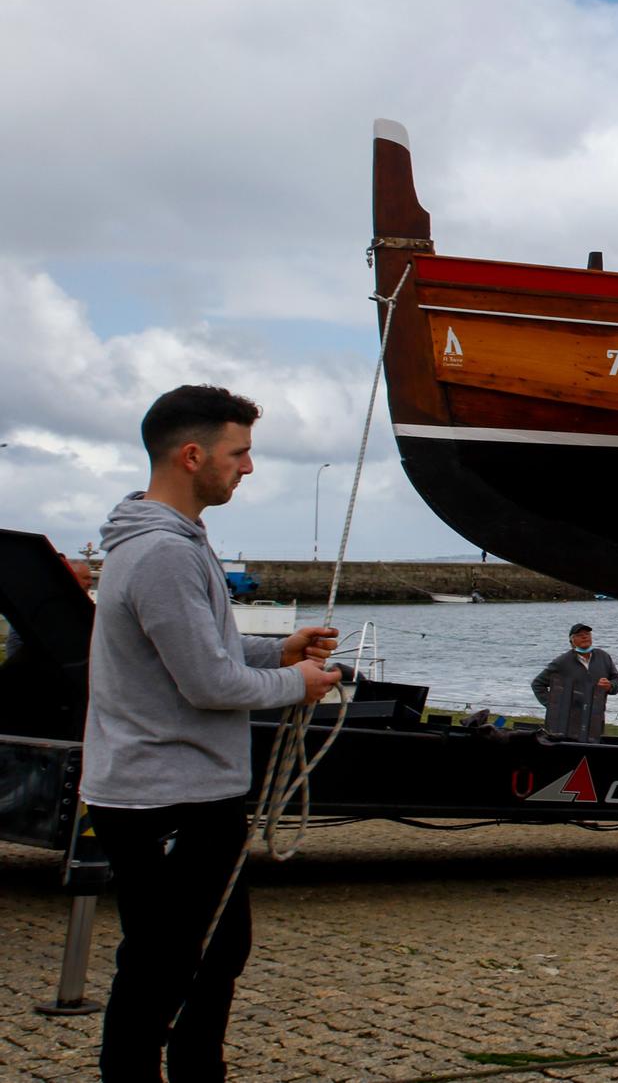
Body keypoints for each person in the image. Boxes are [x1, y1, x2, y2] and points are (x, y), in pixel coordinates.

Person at [81, 384, 343, 1081]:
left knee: (212, 955)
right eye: (240, 452)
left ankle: (199, 1071)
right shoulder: (163, 554)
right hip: (167, 799)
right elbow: (209, 685)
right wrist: (302, 684)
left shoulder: (167, 543)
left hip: (182, 794)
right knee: (162, 968)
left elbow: (203, 653)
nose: (248, 468)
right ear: (193, 455)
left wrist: (278, 650)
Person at [532, 622, 618, 742]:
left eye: (587, 634)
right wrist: (554, 706)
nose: (585, 637)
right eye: (580, 635)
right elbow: (537, 684)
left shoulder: (603, 657)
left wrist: (611, 686)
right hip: (567, 723)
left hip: (595, 720)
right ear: (572, 641)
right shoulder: (561, 662)